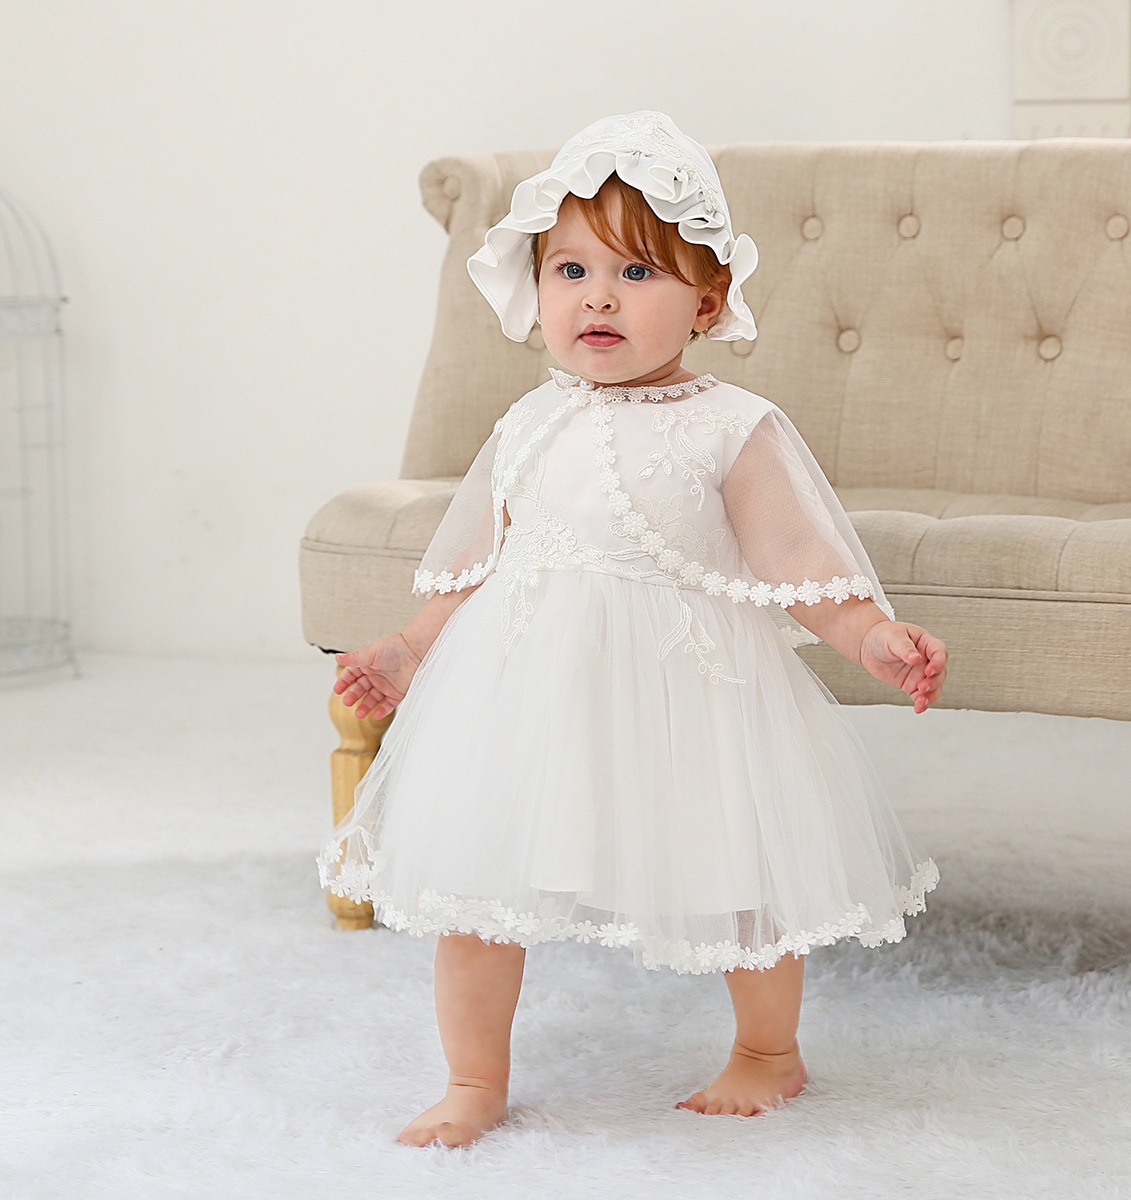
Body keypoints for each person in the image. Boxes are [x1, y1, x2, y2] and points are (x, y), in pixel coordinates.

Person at [318, 111, 947, 1149]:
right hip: (527, 701)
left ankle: (768, 1052)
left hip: (690, 699)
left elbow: (799, 566)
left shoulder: (731, 425)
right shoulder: (527, 422)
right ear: (536, 291)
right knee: (477, 891)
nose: (598, 296)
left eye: (637, 272)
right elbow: (476, 569)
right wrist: (407, 649)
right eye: (570, 270)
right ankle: (473, 1079)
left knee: (741, 878)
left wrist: (869, 633)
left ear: (708, 299)